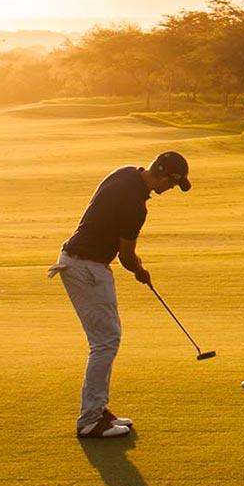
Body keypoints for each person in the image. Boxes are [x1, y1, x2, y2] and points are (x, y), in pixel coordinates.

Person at [49, 150, 191, 438]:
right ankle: (89, 420)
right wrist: (140, 270)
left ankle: (98, 409)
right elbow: (126, 256)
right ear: (163, 174)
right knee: (105, 342)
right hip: (86, 267)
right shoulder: (136, 206)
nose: (171, 189)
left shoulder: (125, 172)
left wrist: (135, 266)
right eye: (173, 184)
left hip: (79, 261)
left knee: (107, 339)